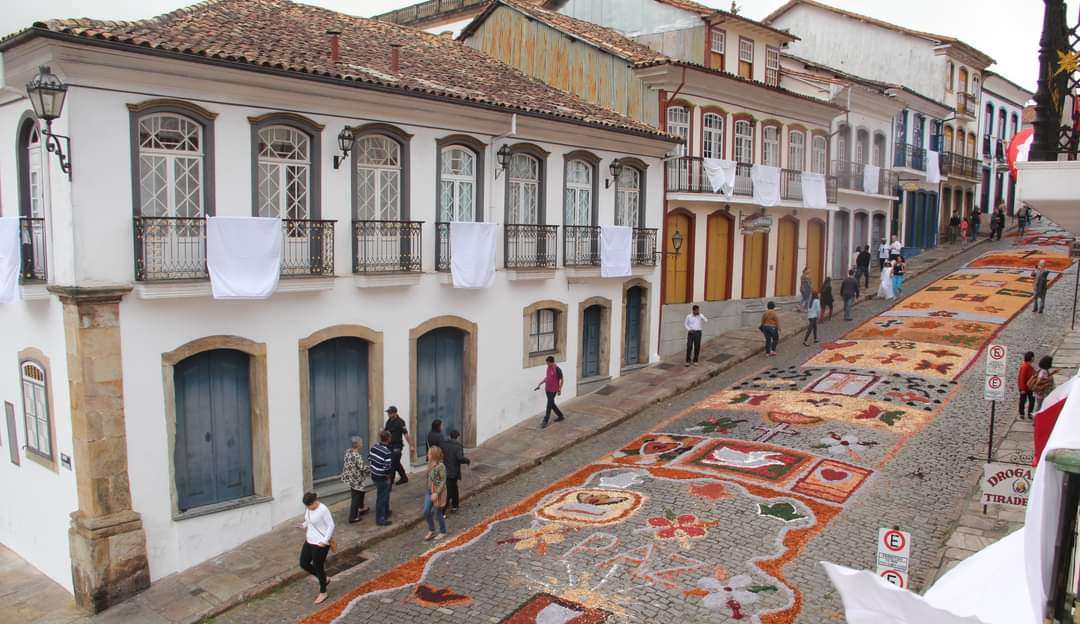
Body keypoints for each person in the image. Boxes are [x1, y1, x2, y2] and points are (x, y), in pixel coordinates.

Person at [297, 492, 334, 604]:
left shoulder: (323, 509)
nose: (308, 508)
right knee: (304, 563)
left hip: (320, 543)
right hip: (309, 540)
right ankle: (324, 578)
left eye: (309, 506)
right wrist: (304, 525)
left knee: (318, 566)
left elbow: (331, 525)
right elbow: (309, 519)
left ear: (314, 502)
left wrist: (325, 541)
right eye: (306, 506)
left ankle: (323, 592)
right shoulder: (309, 508)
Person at [341, 437, 371, 523]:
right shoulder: (356, 455)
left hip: (350, 477)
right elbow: (362, 468)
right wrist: (372, 469)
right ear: (358, 444)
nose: (362, 444)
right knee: (355, 497)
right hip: (355, 479)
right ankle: (353, 517)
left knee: (361, 491)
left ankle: (361, 508)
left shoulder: (348, 451)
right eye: (361, 443)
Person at [422, 446, 448, 542]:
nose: (427, 455)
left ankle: (443, 531)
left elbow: (443, 480)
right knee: (426, 511)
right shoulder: (429, 464)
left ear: (433, 455)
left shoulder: (441, 466)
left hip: (438, 492)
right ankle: (432, 529)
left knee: (438, 513)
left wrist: (436, 493)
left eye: (429, 453)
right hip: (429, 491)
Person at [368, 431, 394, 526]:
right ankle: (380, 519)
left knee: (384, 495)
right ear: (388, 439)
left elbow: (369, 458)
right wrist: (388, 478)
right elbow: (387, 467)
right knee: (382, 498)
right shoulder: (387, 452)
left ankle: (386, 512)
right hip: (381, 477)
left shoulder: (374, 447)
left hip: (374, 475)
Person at [384, 406, 412, 486]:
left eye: (390, 413)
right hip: (389, 445)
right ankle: (404, 477)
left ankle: (389, 483)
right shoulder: (388, 421)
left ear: (395, 413)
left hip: (397, 446)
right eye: (388, 413)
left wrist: (411, 445)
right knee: (396, 462)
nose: (388, 414)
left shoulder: (400, 422)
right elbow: (386, 432)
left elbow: (406, 434)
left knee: (392, 463)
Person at [442, 429, 470, 512]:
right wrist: (467, 460)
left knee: (454, 488)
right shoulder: (458, 446)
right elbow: (460, 458)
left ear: (450, 436)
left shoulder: (444, 444)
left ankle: (455, 505)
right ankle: (443, 510)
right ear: (457, 437)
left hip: (446, 469)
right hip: (453, 471)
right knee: (450, 491)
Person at [536, 355, 564, 428]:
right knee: (552, 404)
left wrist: (560, 389)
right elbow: (547, 378)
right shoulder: (548, 368)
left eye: (548, 363)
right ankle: (560, 416)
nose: (547, 364)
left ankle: (545, 421)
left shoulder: (557, 369)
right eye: (547, 363)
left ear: (552, 362)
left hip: (553, 390)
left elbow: (562, 380)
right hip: (547, 389)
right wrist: (540, 383)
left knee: (549, 405)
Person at [1018, 351, 1037, 420]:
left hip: (1030, 387)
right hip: (1025, 387)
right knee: (1023, 400)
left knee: (1031, 400)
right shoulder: (1025, 366)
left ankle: (1029, 413)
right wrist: (1023, 389)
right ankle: (1022, 413)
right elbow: (1022, 378)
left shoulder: (1029, 366)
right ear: (1031, 358)